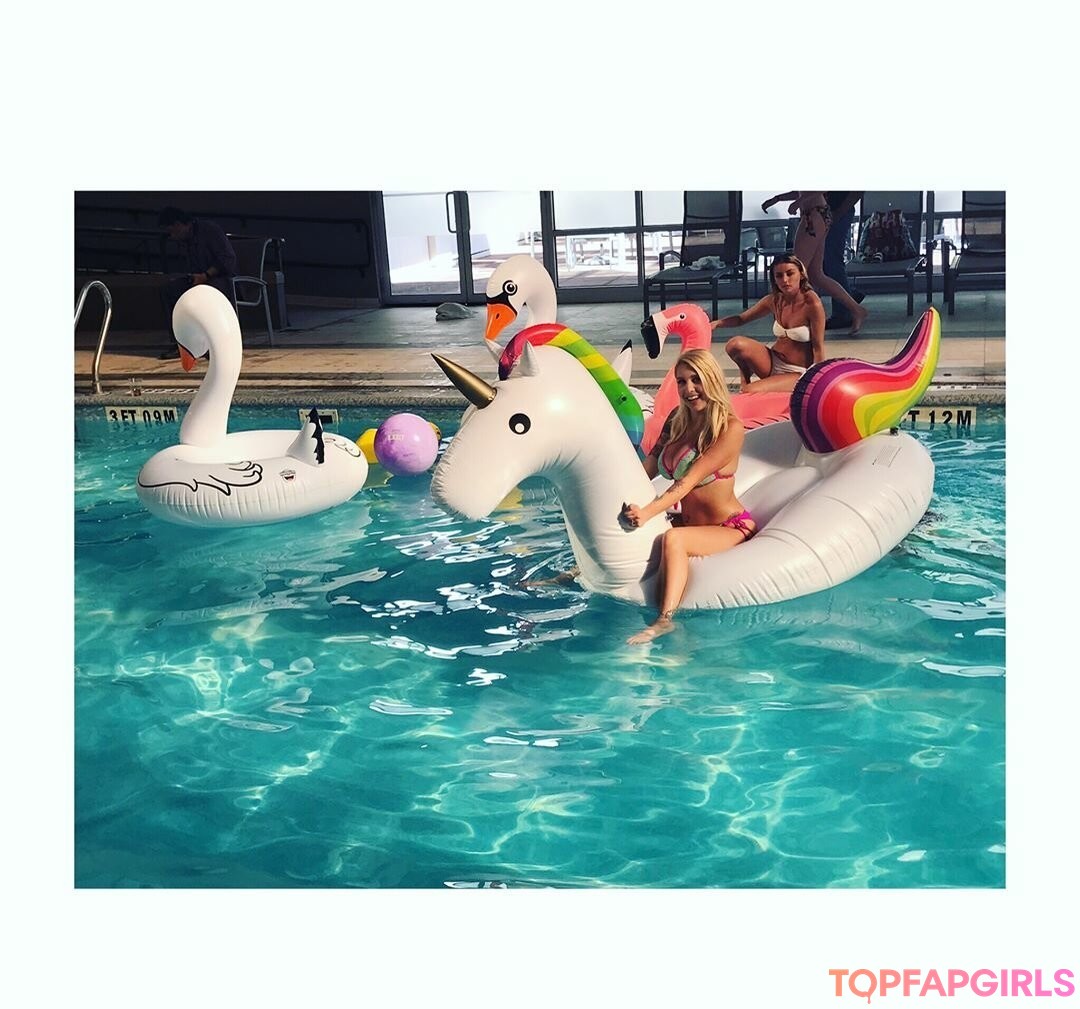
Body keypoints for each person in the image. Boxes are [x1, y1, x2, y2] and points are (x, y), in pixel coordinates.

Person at [621, 349, 754, 643]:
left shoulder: (729, 428)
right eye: (681, 381)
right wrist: (623, 494)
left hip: (727, 527)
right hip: (687, 520)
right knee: (629, 531)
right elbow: (650, 464)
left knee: (674, 539)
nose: (689, 389)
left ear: (712, 379)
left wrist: (647, 513)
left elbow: (687, 481)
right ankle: (572, 574)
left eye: (696, 379)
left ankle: (664, 620)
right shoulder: (676, 420)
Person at [712, 253, 825, 395]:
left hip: (797, 371)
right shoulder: (774, 300)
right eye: (779, 276)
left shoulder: (812, 304)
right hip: (772, 361)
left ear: (801, 275)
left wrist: (818, 382)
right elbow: (741, 319)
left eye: (790, 274)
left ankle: (751, 387)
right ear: (774, 279)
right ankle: (745, 380)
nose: (785, 280)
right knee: (734, 345)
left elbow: (818, 348)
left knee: (749, 392)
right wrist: (716, 324)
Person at [759, 191, 868, 335]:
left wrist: (798, 202)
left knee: (797, 270)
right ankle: (856, 309)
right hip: (817, 214)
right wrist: (778, 198)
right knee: (816, 275)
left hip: (814, 215)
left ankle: (798, 319)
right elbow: (805, 190)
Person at [157, 207, 237, 357]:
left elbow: (227, 260)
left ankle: (214, 341)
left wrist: (206, 275)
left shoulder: (209, 230)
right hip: (199, 279)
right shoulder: (185, 241)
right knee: (169, 291)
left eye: (172, 231)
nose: (172, 236)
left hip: (221, 278)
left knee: (207, 292)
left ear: (179, 225)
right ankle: (182, 343)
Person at [822, 191, 865, 331]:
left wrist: (839, 213)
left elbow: (857, 191)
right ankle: (848, 296)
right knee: (825, 263)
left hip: (835, 211)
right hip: (829, 212)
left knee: (831, 261)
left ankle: (844, 312)